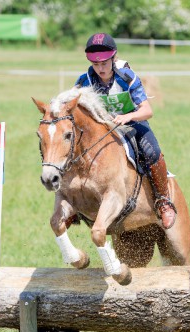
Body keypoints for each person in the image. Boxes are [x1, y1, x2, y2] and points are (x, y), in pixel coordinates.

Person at [75, 33, 176, 229]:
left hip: (132, 123)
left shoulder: (127, 77)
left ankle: (163, 202)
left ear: (114, 58)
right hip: (101, 128)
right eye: (96, 64)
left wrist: (126, 117)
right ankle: (74, 204)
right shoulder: (84, 80)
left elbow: (147, 111)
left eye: (105, 63)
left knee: (152, 152)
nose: (101, 68)